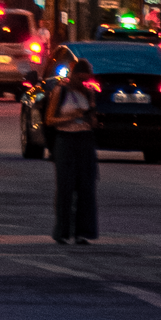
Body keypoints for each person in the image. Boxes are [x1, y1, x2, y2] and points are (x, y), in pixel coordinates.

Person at [45, 59, 99, 244]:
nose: (83, 83)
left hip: (85, 141)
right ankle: (62, 232)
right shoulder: (61, 92)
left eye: (86, 79)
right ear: (73, 76)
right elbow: (49, 120)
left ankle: (82, 233)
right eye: (80, 79)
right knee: (65, 187)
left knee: (86, 188)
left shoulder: (89, 93)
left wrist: (91, 119)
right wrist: (69, 116)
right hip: (65, 141)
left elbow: (93, 121)